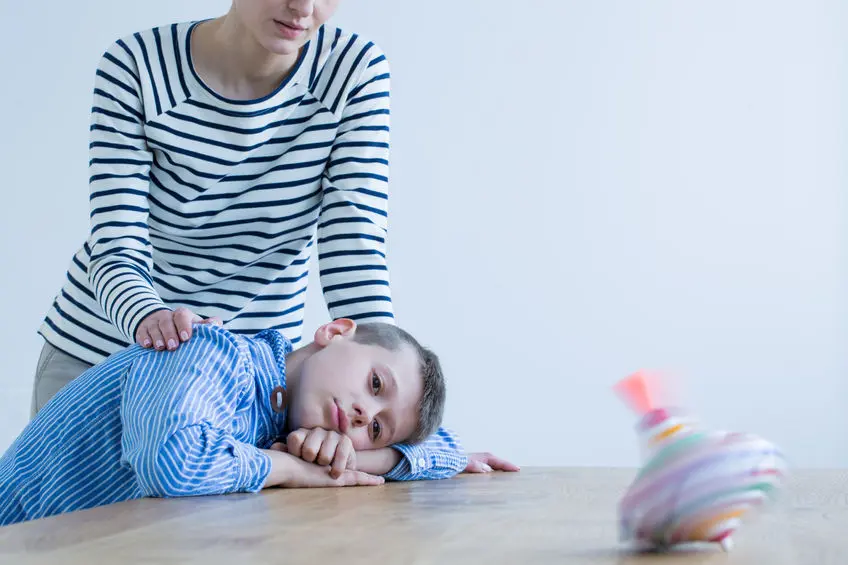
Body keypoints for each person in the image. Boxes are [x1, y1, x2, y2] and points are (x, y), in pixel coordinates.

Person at [32, 0, 517, 476]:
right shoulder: (138, 64)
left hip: (243, 399)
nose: (303, 7)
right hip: (100, 358)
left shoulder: (351, 72)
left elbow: (355, 247)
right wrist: (156, 323)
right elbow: (116, 246)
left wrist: (407, 445)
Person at [2, 319, 447, 526]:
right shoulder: (210, 352)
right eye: (374, 383)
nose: (364, 414)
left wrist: (369, 460)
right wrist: (294, 470)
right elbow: (170, 464)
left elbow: (445, 449)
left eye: (375, 429)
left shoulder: (274, 429)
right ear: (333, 332)